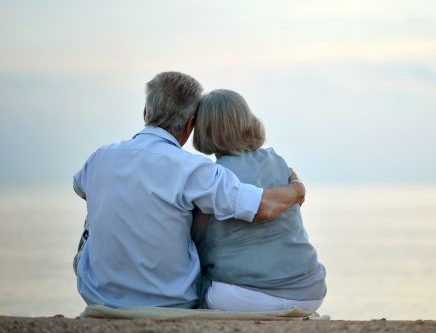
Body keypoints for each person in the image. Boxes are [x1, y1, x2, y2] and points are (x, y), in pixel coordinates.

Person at [72, 71, 305, 309]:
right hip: (171, 300)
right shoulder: (194, 169)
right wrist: (296, 190)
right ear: (190, 123)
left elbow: (80, 188)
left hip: (97, 294)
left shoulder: (100, 157)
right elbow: (262, 207)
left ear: (145, 112)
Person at [192, 89, 326, 312]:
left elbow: (196, 243)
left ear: (203, 129)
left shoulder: (215, 178)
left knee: (191, 282)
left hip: (243, 297)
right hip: (309, 293)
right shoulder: (280, 163)